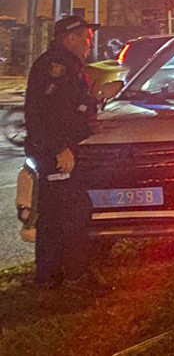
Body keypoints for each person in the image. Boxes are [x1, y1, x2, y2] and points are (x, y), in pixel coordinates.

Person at [26, 16, 113, 286]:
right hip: (57, 153)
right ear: (69, 38)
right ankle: (75, 273)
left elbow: (74, 107)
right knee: (73, 212)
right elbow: (44, 114)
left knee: (54, 214)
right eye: (85, 37)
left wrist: (96, 102)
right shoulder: (56, 67)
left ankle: (50, 275)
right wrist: (59, 149)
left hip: (61, 149)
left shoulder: (69, 65)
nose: (89, 42)